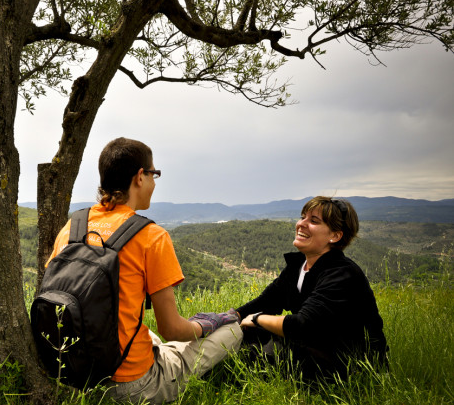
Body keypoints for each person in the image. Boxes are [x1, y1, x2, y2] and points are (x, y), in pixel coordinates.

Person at [47, 137, 243, 403]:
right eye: (154, 174)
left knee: (146, 333)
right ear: (140, 176)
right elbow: (172, 330)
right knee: (233, 330)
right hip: (133, 386)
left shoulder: (74, 226)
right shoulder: (151, 236)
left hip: (75, 373)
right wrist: (207, 323)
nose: (153, 182)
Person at [236, 196, 388, 381]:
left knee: (250, 351)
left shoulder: (342, 274)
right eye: (302, 217)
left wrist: (258, 319)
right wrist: (229, 317)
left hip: (346, 363)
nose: (301, 224)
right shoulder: (298, 266)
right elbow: (268, 301)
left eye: (314, 221)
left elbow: (303, 325)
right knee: (244, 336)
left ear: (335, 236)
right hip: (313, 346)